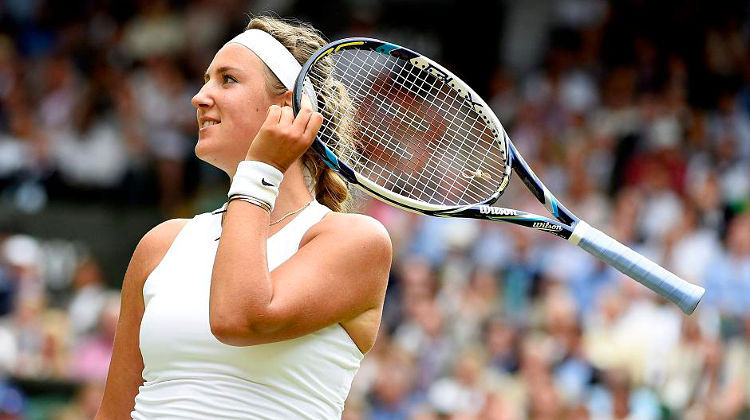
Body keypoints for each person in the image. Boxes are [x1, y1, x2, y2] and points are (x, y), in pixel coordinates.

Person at [96, 16, 392, 419]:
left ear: (288, 107)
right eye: (206, 80)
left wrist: (259, 171)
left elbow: (237, 319)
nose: (199, 97)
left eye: (228, 80)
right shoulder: (161, 244)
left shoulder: (355, 240)